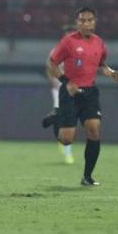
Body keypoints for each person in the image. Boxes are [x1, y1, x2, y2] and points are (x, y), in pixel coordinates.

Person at [47, 7, 118, 186]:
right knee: (66, 140)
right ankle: (57, 117)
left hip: (89, 93)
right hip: (70, 93)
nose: (86, 23)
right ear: (77, 23)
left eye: (89, 20)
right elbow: (52, 63)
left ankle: (87, 177)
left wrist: (112, 72)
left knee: (94, 130)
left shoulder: (99, 42)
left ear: (95, 22)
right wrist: (66, 82)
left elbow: (102, 64)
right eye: (82, 20)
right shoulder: (68, 42)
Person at [42, 24, 75, 164]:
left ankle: (65, 145)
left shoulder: (79, 52)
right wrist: (54, 81)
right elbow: (49, 69)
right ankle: (66, 149)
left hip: (73, 90)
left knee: (70, 118)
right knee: (63, 117)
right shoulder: (56, 51)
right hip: (59, 89)